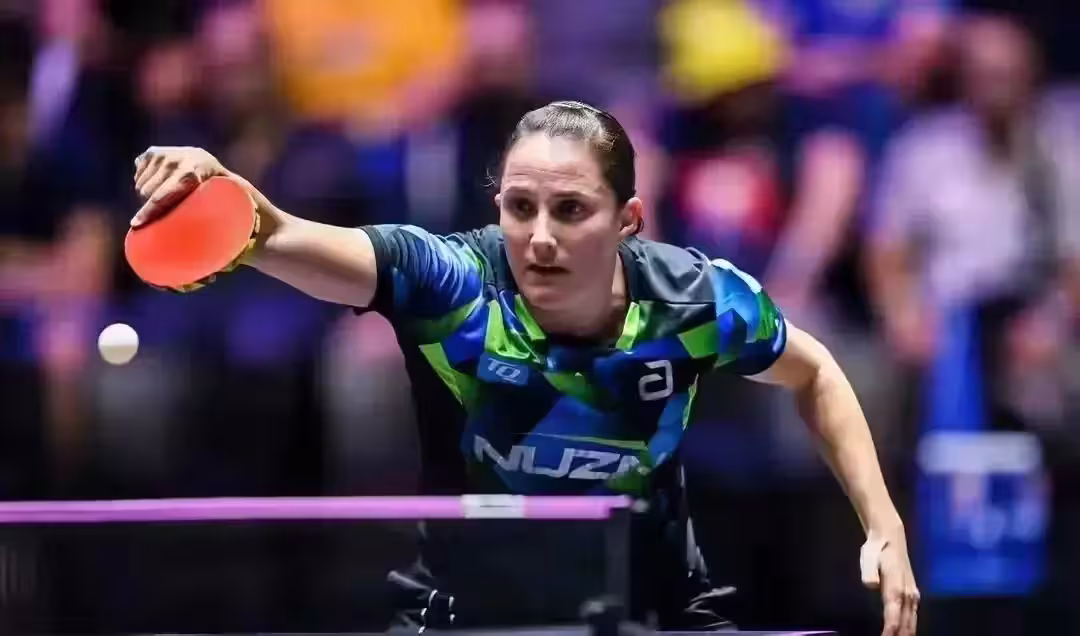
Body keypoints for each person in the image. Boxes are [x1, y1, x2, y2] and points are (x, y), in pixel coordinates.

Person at [131, 101, 918, 634]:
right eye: (519, 206)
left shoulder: (692, 303)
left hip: (651, 612)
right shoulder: (451, 286)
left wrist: (884, 523)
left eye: (570, 209)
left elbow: (815, 371)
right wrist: (241, 207)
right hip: (469, 616)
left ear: (628, 220)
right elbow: (284, 235)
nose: (539, 236)